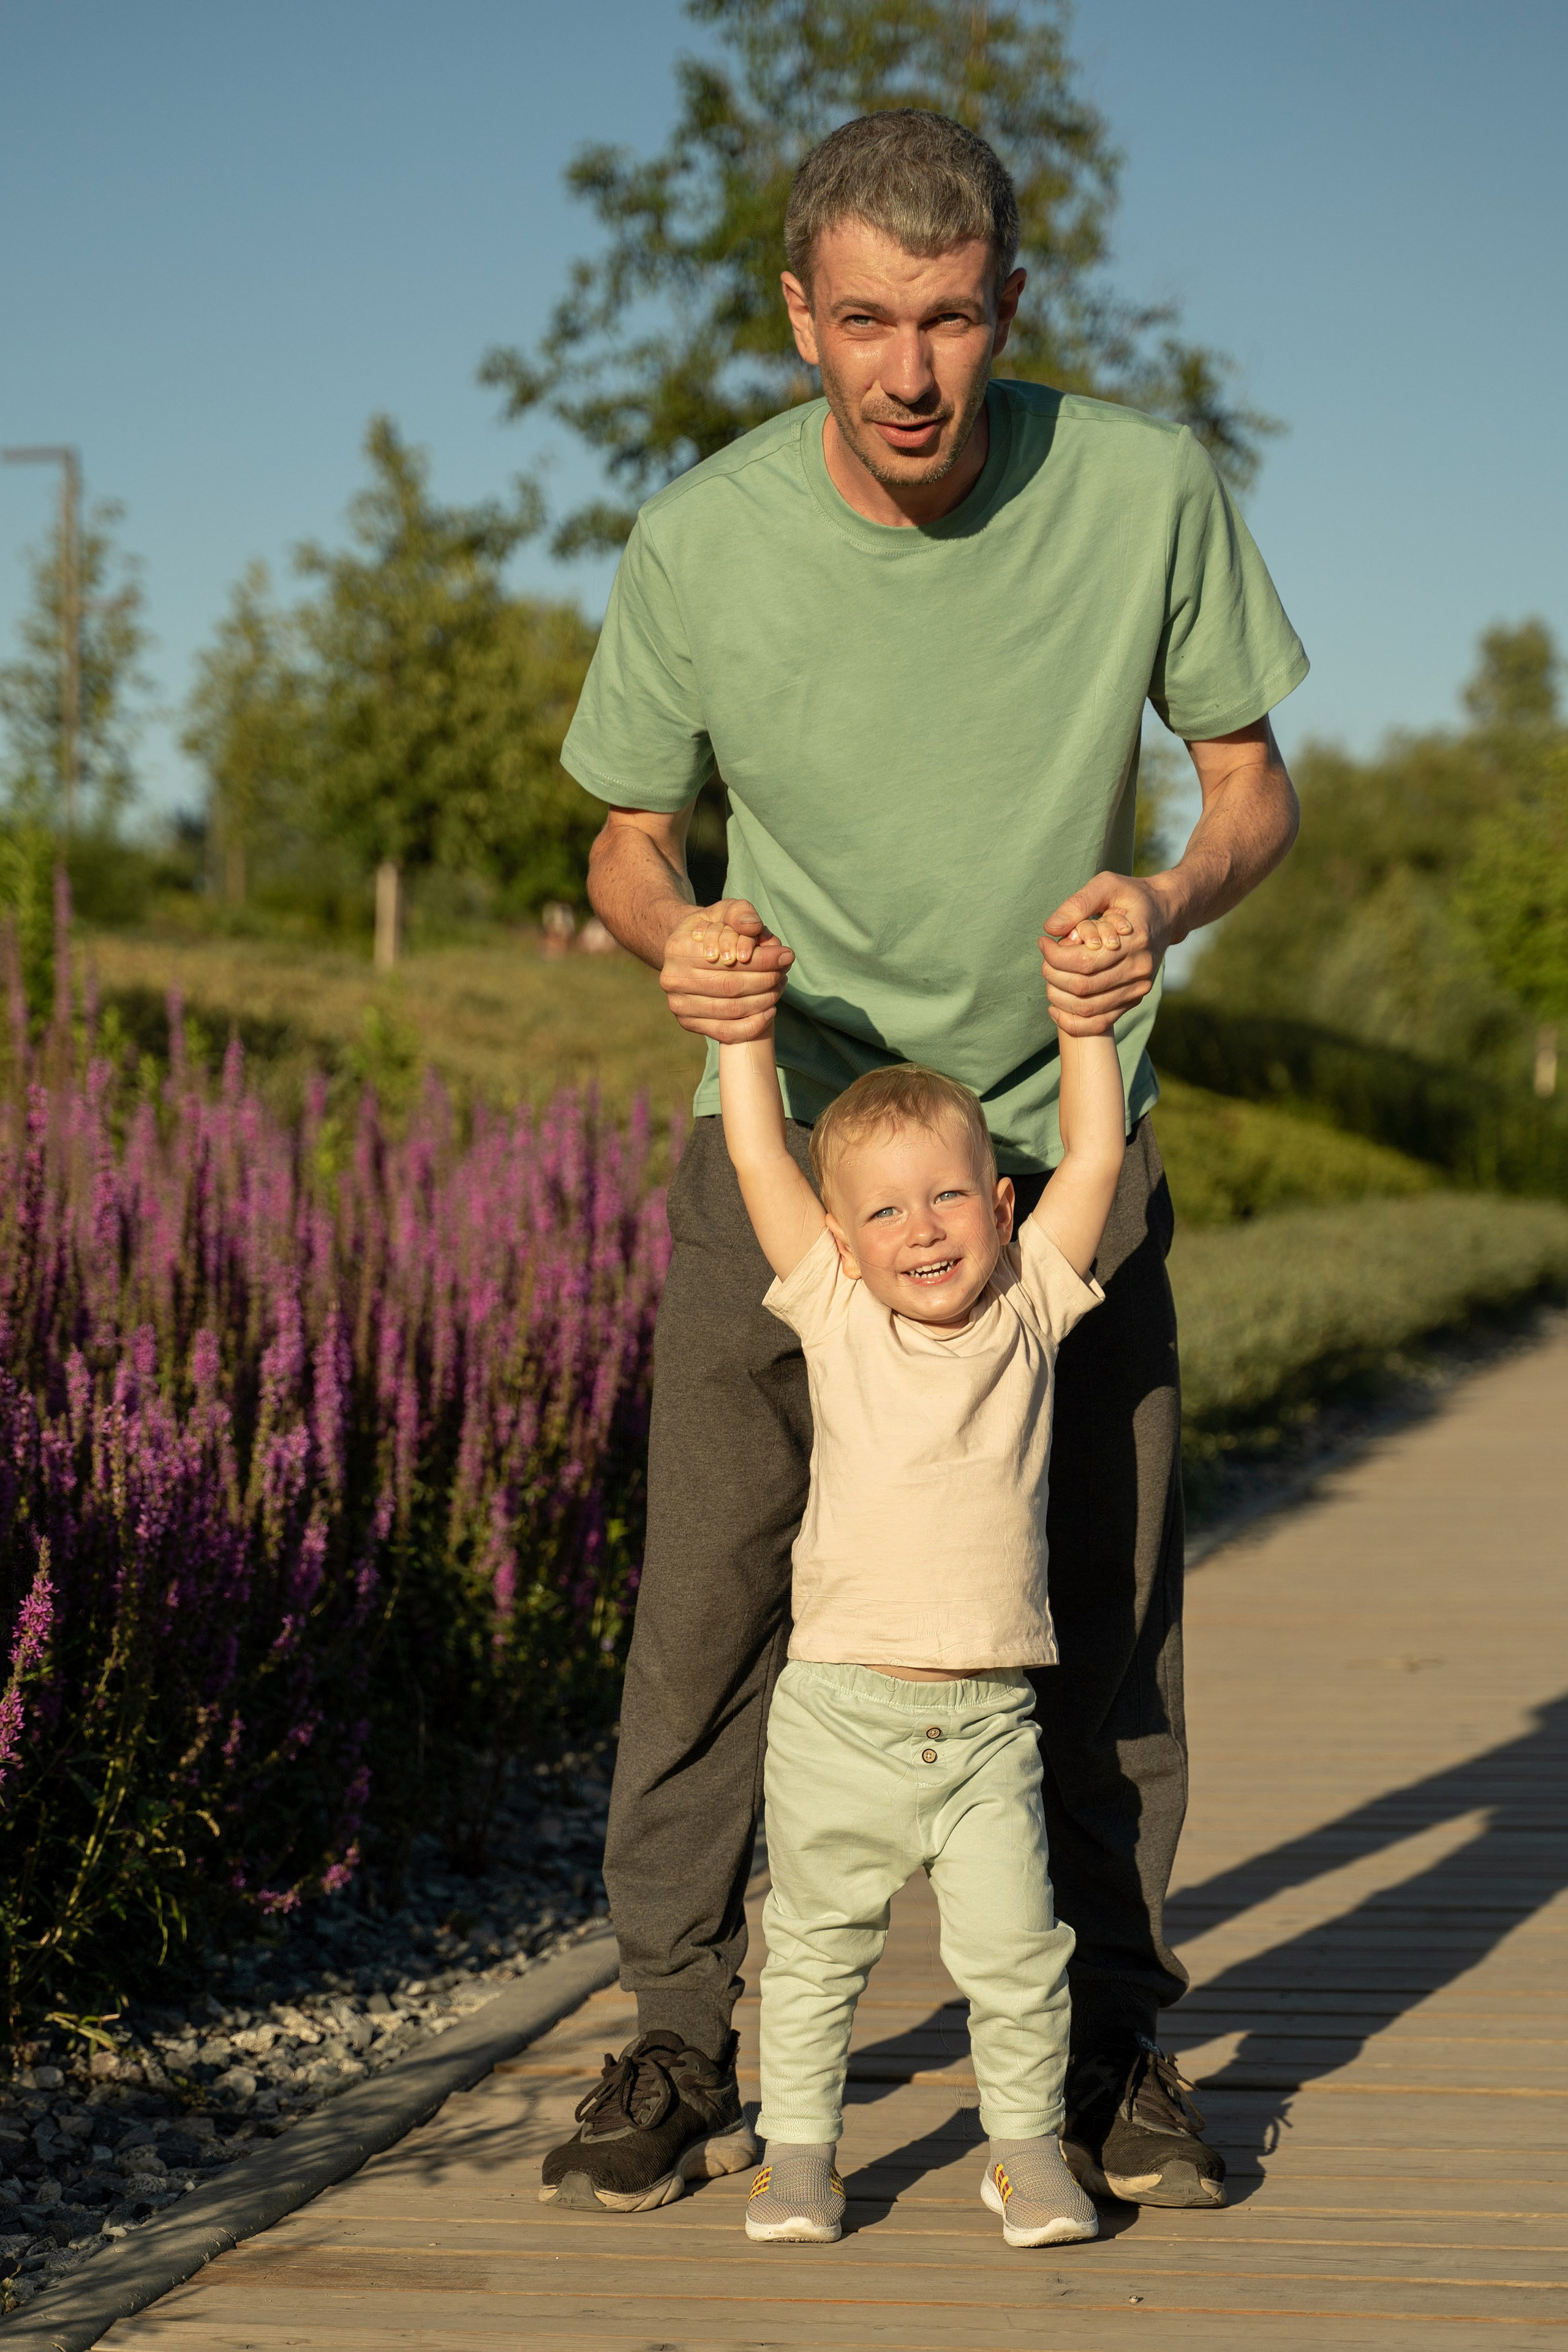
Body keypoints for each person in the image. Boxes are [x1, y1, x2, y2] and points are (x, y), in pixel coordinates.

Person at [539, 107, 1306, 2221]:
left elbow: (1251, 793)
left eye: (949, 320)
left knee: (1100, 1600)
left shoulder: (1144, 486)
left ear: (1010, 312)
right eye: (863, 319)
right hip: (791, 1158)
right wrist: (673, 927)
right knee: (708, 1606)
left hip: (1053, 1149)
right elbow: (622, 833)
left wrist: (1167, 895)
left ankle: (1123, 2041)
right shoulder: (701, 542)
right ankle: (683, 2044)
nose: (906, 373)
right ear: (800, 317)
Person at [720, 957, 1125, 2247]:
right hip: (839, 1715)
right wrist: (742, 1038)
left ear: (1002, 1209)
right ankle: (798, 2162)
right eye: (885, 1212)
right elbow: (758, 1164)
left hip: (988, 1724)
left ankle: (1021, 2157)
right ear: (842, 1241)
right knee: (817, 1958)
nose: (923, 1228)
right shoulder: (834, 1313)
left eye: (950, 1194)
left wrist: (1084, 1030)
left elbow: (1099, 1156)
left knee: (1016, 1960)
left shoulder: (1027, 1311)